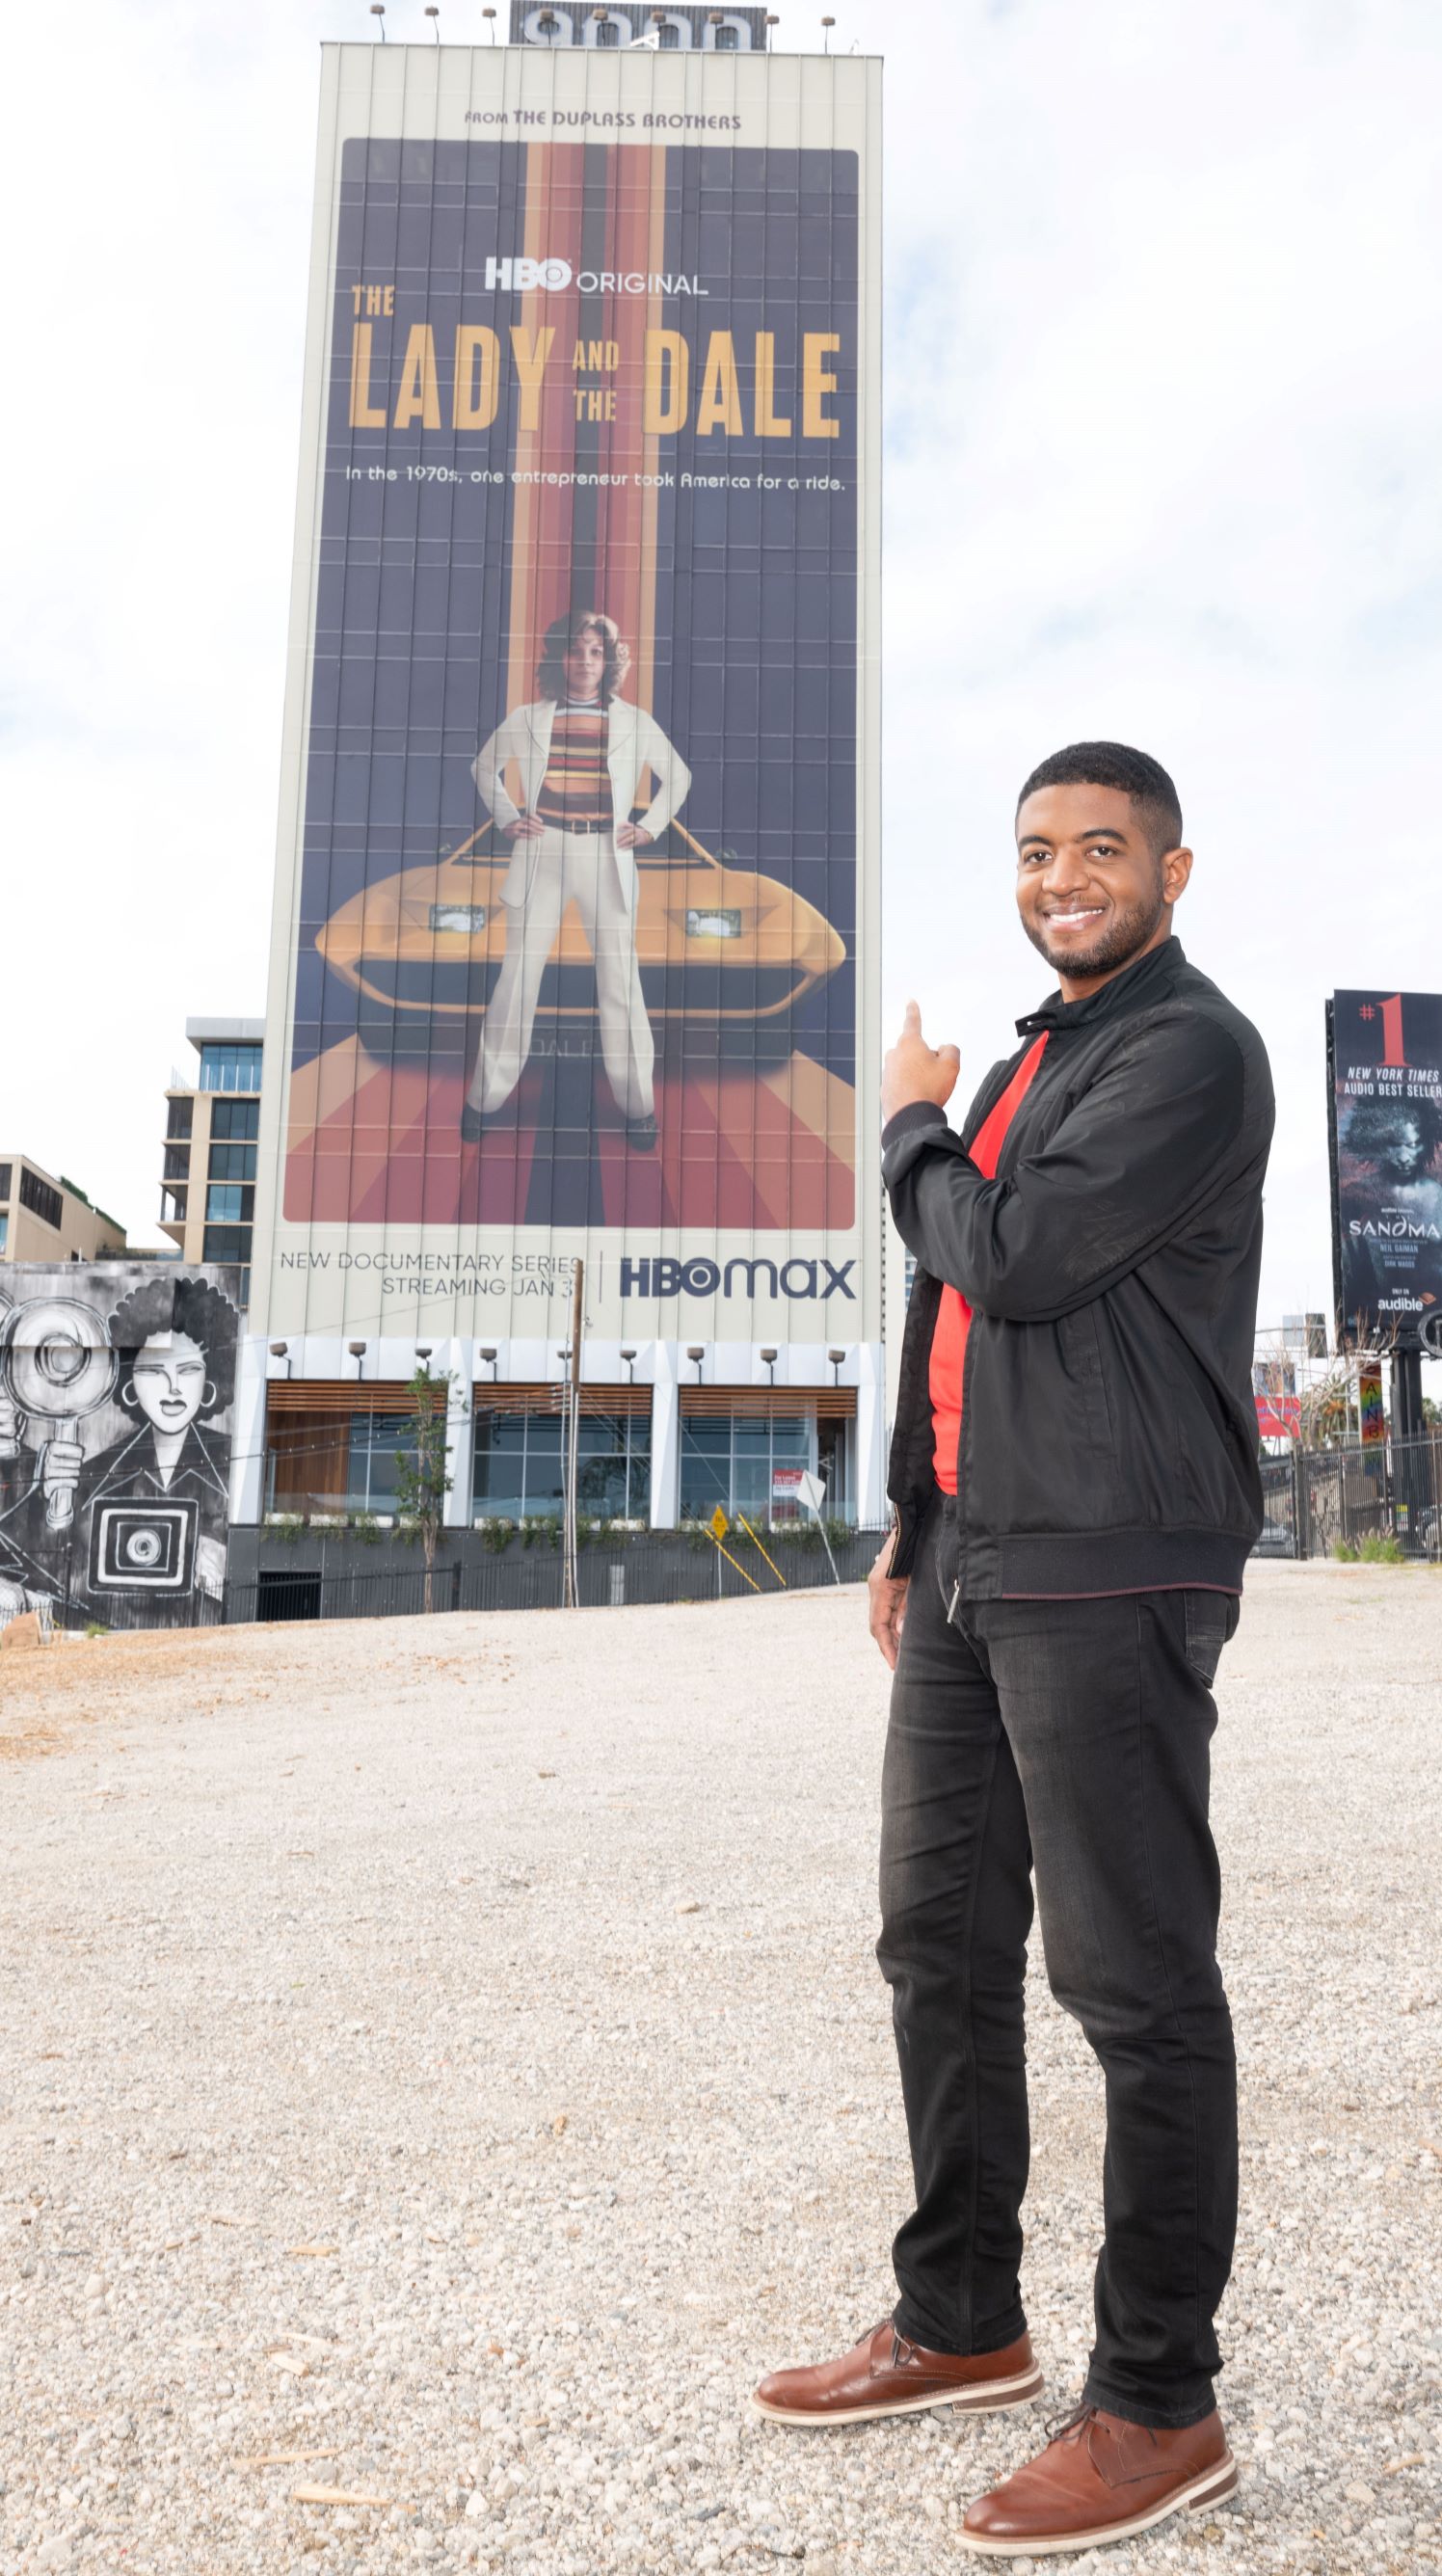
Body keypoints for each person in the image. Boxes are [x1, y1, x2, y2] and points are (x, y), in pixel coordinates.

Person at [752, 743, 1274, 2559]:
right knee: (936, 1942)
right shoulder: (1033, 1054)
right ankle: (964, 2318)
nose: (1064, 875)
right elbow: (950, 1298)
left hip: (1113, 1564)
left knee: (1134, 1986)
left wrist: (904, 1123)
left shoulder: (1187, 1053)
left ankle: (1157, 2404)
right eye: (1039, 848)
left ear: (1173, 871)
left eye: (1102, 849)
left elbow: (1024, 1253)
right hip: (979, 1554)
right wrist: (910, 1505)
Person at [460, 607, 692, 1152]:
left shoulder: (634, 721)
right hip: (543, 851)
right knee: (518, 979)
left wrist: (649, 826)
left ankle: (639, 1108)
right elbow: (483, 767)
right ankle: (483, 1101)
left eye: (596, 652)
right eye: (576, 651)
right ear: (559, 658)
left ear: (608, 661)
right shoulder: (527, 718)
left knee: (620, 983)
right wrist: (508, 815)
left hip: (606, 854)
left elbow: (677, 776)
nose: (585, 661)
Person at [66, 1276, 236, 1605]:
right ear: (130, 1385)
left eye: (187, 1371)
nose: (172, 1387)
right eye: (154, 1372)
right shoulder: (97, 1473)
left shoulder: (234, 1460)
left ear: (209, 1382)